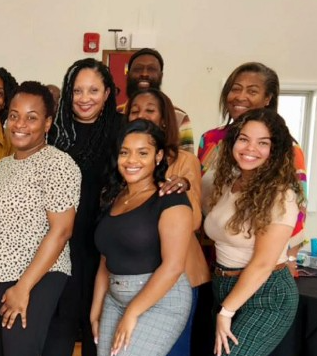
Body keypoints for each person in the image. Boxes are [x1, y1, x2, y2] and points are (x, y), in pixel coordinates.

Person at [0, 81, 80, 356]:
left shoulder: (57, 164)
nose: (20, 124)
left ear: (47, 123)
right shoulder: (5, 165)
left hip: (34, 278)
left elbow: (62, 231)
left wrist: (23, 287)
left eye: (31, 117)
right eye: (14, 115)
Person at [203, 109, 303, 356]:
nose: (250, 148)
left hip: (268, 294)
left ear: (276, 150)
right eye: (244, 139)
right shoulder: (224, 182)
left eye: (263, 143)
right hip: (223, 285)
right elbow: (190, 192)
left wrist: (226, 312)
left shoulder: (281, 195)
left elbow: (263, 263)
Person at [91, 119, 193, 356]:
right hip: (114, 299)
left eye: (142, 153)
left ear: (158, 157)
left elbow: (174, 266)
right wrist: (95, 311)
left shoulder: (170, 198)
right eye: (124, 152)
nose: (131, 161)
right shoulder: (113, 198)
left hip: (161, 299)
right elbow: (105, 262)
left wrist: (133, 312)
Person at [44, 58, 125, 356]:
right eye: (77, 91)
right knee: (57, 331)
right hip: (58, 244)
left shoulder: (122, 131)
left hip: (104, 248)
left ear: (107, 94)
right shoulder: (54, 132)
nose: (84, 98)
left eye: (93, 90)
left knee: (99, 331)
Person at [198, 62, 307, 276]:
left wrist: (290, 257)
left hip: (258, 262)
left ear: (268, 99)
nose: (240, 96)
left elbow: (298, 211)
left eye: (252, 91)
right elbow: (200, 192)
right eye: (235, 88)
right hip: (211, 254)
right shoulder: (210, 139)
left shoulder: (287, 148)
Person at [125, 88, 211, 356]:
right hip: (133, 276)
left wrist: (182, 188)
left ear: (164, 120)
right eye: (135, 111)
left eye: (149, 110)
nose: (141, 115)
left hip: (180, 277)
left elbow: (195, 221)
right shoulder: (124, 161)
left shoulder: (184, 161)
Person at [116, 48, 194, 152]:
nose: (144, 74)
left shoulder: (178, 116)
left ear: (161, 76)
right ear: (128, 74)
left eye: (151, 69)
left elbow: (187, 160)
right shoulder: (116, 113)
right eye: (138, 69)